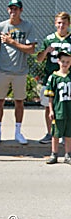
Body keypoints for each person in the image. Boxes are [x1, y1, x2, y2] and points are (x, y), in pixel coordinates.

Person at [0, 0, 37, 145]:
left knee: (19, 102)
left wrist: (13, 42)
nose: (13, 11)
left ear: (21, 10)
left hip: (20, 72)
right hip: (3, 71)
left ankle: (18, 132)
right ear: (7, 10)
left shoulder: (27, 26)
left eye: (16, 9)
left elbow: (31, 49)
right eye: (11, 8)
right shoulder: (0, 27)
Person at [36, 12, 71, 144]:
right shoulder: (49, 39)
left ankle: (65, 134)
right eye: (59, 23)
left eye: (64, 23)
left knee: (67, 106)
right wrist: (46, 51)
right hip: (51, 78)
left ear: (69, 24)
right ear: (55, 24)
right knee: (48, 106)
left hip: (68, 79)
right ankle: (50, 133)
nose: (61, 26)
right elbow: (39, 59)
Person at [44, 50, 71, 165]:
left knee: (69, 134)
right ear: (58, 61)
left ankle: (68, 154)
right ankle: (54, 154)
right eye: (63, 61)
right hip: (58, 109)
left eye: (68, 62)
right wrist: (51, 109)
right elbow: (50, 96)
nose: (65, 64)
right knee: (55, 134)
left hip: (69, 110)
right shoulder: (54, 77)